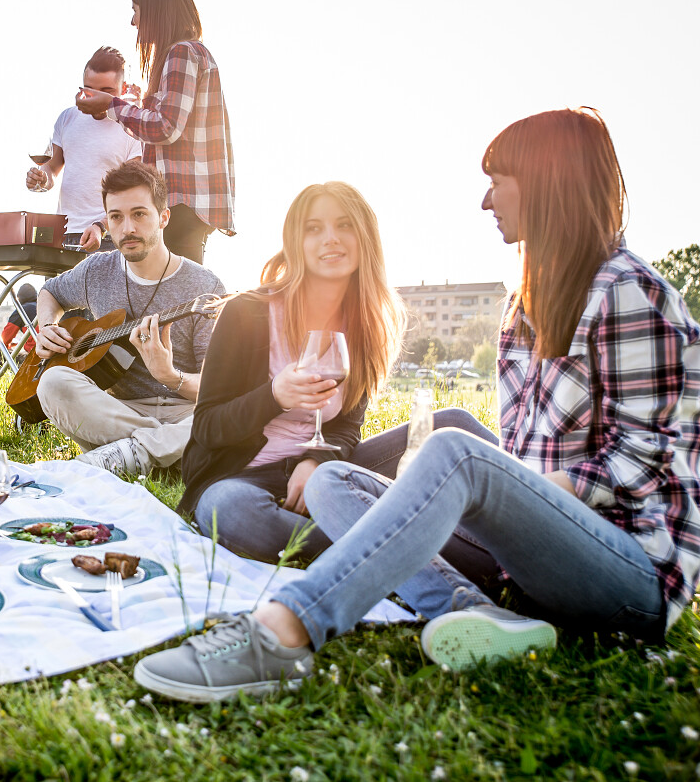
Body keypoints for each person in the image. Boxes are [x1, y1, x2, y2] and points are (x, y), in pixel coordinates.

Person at [133, 108, 699, 703]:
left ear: (544, 183)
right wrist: (464, 501)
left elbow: (643, 461)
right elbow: (210, 425)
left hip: (630, 575)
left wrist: (505, 491)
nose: (485, 200)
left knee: (454, 450)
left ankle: (282, 631)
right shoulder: (529, 305)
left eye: (497, 182)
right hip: (528, 564)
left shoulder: (628, 292)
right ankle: (472, 610)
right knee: (332, 484)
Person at [181, 182, 500, 564]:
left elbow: (347, 427)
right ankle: (455, 552)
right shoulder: (247, 313)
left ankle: (541, 507)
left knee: (453, 425)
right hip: (243, 480)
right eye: (314, 228)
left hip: (328, 475)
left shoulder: (364, 324)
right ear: (296, 241)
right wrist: (274, 395)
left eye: (344, 225)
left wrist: (314, 462)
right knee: (230, 512)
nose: (330, 238)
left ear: (365, 236)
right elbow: (207, 427)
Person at [33, 161, 225, 477]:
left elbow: (218, 389)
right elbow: (50, 292)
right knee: (52, 383)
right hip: (119, 411)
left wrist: (170, 375)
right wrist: (48, 326)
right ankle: (165, 451)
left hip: (185, 412)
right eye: (116, 217)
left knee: (227, 414)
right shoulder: (96, 270)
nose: (127, 229)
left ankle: (128, 455)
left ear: (164, 217)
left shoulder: (205, 286)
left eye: (139, 214)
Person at [74, 0, 235, 265]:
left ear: (156, 11)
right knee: (178, 286)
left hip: (181, 200)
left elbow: (166, 126)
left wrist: (111, 105)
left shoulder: (181, 53)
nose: (133, 22)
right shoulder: (190, 53)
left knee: (177, 289)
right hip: (188, 202)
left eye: (136, 11)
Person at [25, 46, 143, 252]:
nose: (95, 98)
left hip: (109, 239)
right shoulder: (67, 118)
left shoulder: (132, 127)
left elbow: (132, 195)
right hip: (64, 236)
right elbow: (51, 168)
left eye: (106, 91)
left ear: (123, 88)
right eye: (89, 90)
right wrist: (42, 179)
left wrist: (101, 227)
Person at [0, 283, 39, 355]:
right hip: (55, 352)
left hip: (37, 354)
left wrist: (6, 346)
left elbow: (5, 340)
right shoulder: (44, 307)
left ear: (19, 298)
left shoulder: (21, 311)